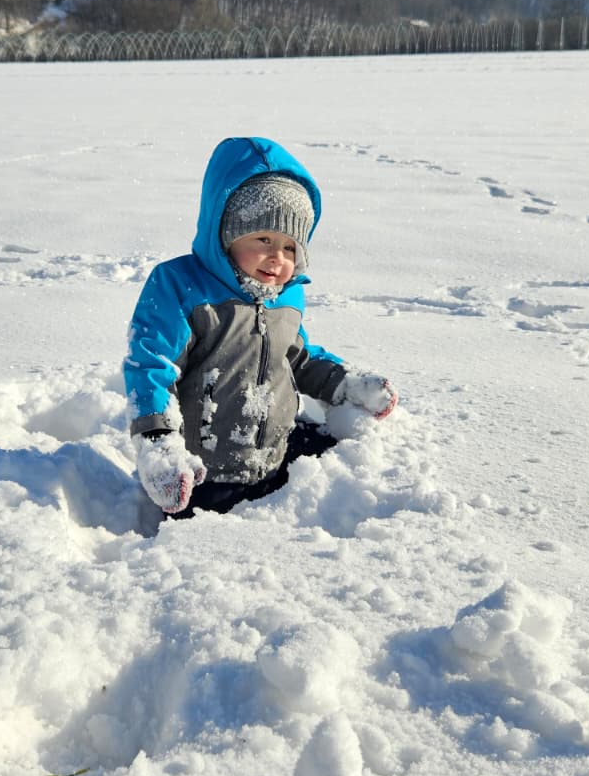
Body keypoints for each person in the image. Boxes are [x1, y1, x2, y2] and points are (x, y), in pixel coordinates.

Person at [124, 136, 397, 517]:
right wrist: (159, 445)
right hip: (205, 475)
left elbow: (294, 358)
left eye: (290, 247)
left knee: (335, 454)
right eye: (263, 238)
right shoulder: (181, 286)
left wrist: (341, 383)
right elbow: (152, 367)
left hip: (274, 454)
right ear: (225, 232)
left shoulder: (285, 296)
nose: (277, 258)